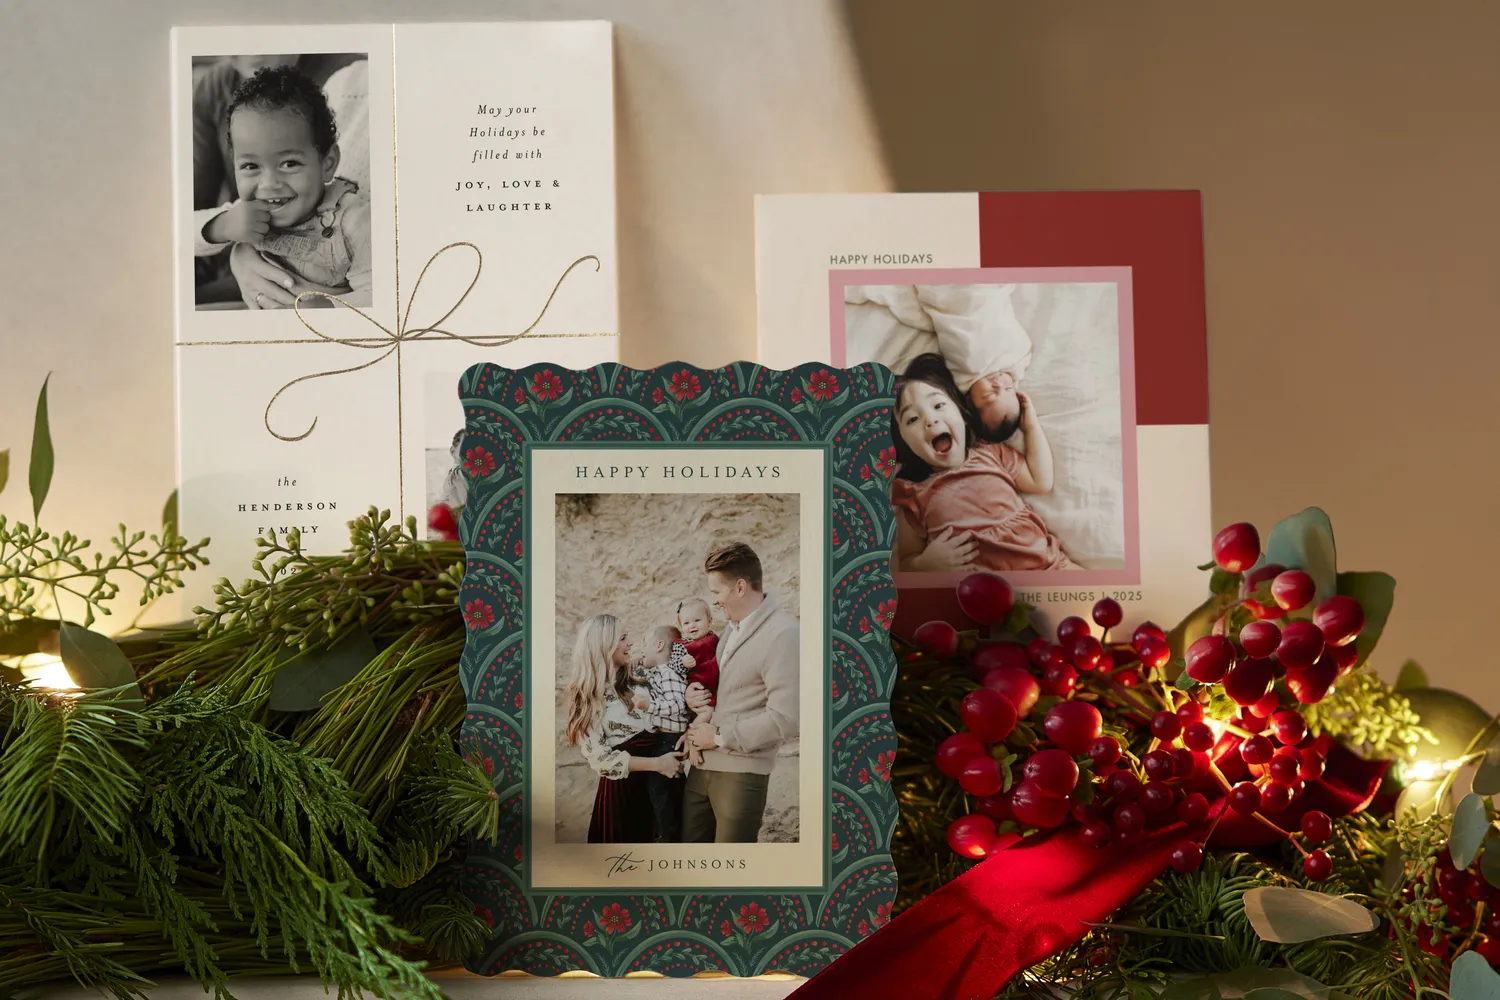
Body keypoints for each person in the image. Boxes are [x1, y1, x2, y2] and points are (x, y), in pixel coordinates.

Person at [192, 65, 372, 308]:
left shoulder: (352, 222)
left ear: (327, 164)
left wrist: (331, 308)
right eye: (250, 166)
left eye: (289, 163)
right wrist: (221, 226)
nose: (269, 184)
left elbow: (379, 294)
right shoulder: (251, 210)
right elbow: (177, 238)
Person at [891, 354, 1077, 573]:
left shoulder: (992, 454)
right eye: (912, 419)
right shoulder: (913, 494)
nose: (930, 420)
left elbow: (1040, 481)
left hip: (1047, 567)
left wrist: (1031, 427)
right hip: (980, 592)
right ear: (904, 443)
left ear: (963, 415)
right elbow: (905, 562)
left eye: (939, 405)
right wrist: (925, 564)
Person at [682, 543, 798, 844]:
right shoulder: (729, 632)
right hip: (701, 766)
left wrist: (719, 736)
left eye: (716, 592)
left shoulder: (783, 634)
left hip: (740, 775)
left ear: (741, 587)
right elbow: (723, 692)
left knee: (728, 875)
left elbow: (788, 718)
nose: (714, 601)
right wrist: (693, 697)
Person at [563, 615, 682, 843]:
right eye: (623, 638)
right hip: (625, 792)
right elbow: (600, 760)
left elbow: (675, 686)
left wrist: (692, 694)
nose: (630, 644)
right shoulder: (586, 698)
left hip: (663, 783)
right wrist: (658, 765)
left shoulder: (640, 675)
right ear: (604, 645)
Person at [637, 625, 693, 842]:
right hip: (663, 737)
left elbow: (678, 704)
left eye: (645, 644)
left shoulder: (669, 674)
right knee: (668, 789)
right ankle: (670, 831)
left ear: (659, 645)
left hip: (670, 739)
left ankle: (668, 836)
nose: (642, 649)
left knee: (660, 790)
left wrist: (648, 706)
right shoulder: (661, 672)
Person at [676, 597, 722, 767]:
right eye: (686, 623)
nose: (692, 626)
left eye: (697, 620)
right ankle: (692, 740)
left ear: (709, 621)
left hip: (713, 685)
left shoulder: (716, 640)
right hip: (699, 687)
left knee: (711, 718)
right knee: (706, 715)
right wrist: (683, 663)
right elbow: (673, 667)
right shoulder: (683, 647)